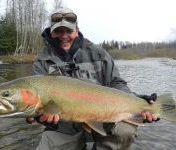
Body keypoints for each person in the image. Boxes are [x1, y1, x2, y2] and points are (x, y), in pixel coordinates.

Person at [26, 7, 159, 150]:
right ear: (51, 31)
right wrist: (43, 119)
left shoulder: (97, 53)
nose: (63, 36)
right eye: (58, 31)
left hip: (104, 120)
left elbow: (116, 82)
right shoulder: (42, 60)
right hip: (63, 128)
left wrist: (137, 101)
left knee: (124, 131)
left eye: (69, 31)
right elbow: (35, 106)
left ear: (76, 30)